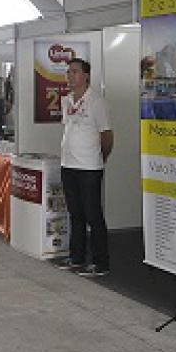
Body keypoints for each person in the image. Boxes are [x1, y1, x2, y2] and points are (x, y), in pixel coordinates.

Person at [55, 58, 113, 277]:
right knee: (75, 214)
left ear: (86, 76)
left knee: (93, 215)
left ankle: (101, 262)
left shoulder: (97, 102)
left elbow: (107, 136)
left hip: (89, 168)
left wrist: (100, 158)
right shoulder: (66, 101)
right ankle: (76, 257)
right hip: (68, 164)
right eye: (68, 72)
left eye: (75, 72)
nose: (70, 76)